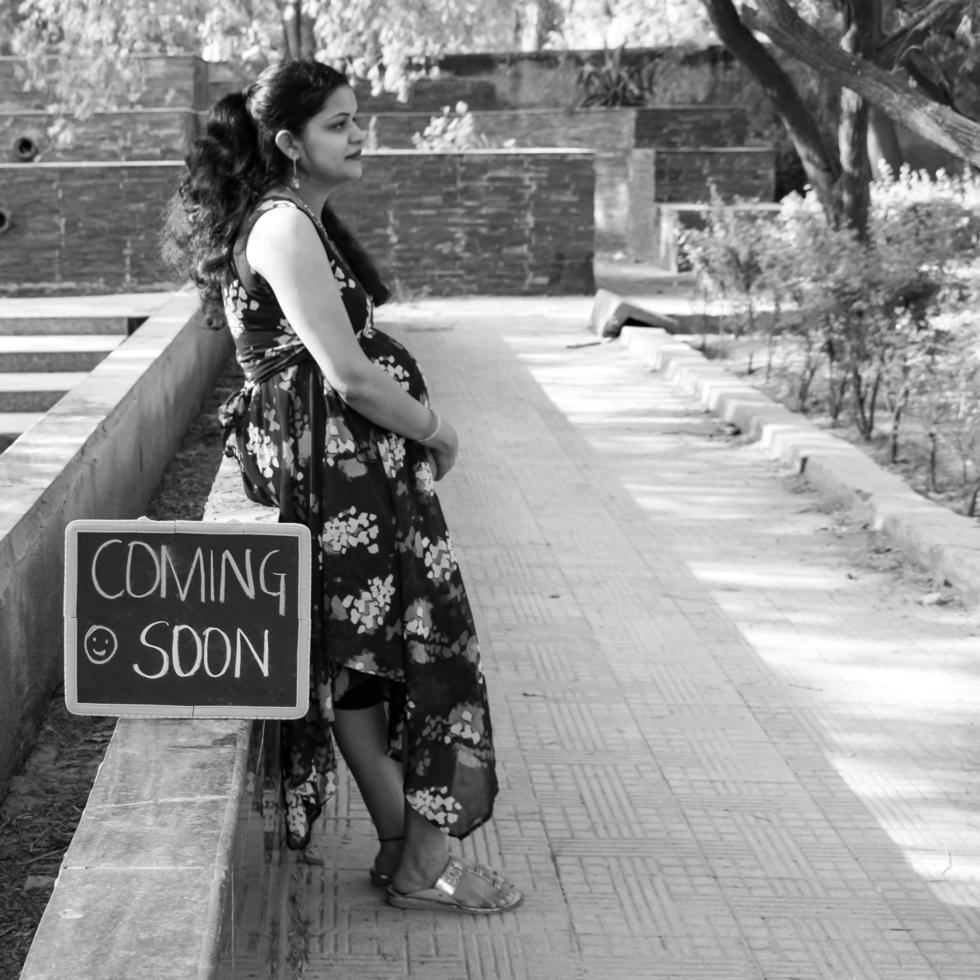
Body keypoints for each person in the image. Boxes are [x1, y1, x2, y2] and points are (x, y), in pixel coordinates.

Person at [164, 58, 521, 915]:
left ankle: (409, 852)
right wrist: (439, 432)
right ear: (289, 141)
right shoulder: (284, 227)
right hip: (337, 475)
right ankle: (420, 858)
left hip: (348, 472)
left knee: (365, 668)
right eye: (339, 123)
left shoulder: (299, 221)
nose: (359, 134)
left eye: (358, 118)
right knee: (410, 652)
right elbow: (349, 376)